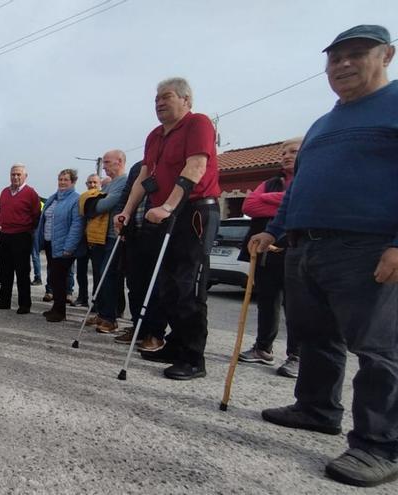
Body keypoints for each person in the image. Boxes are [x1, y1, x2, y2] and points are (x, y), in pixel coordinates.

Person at [249, 25, 398, 488]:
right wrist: (273, 230)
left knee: (378, 349)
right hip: (306, 245)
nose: (343, 65)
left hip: (368, 245)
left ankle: (379, 445)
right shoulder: (322, 123)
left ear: (387, 55)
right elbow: (300, 186)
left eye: (356, 54)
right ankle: (316, 408)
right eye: (335, 58)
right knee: (315, 335)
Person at [115, 77, 220, 380]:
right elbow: (144, 178)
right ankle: (175, 344)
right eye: (156, 98)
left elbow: (196, 167)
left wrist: (170, 206)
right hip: (163, 213)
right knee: (168, 285)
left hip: (194, 210)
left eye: (167, 97)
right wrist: (127, 210)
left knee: (188, 285)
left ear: (186, 100)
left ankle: (193, 357)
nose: (159, 103)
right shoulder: (154, 136)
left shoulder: (197, 123)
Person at [237, 137, 302, 377]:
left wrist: (271, 201)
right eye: (283, 152)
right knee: (267, 299)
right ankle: (263, 348)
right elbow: (249, 206)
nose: (286, 156)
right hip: (266, 249)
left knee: (295, 304)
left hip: (295, 248)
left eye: (293, 151)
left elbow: (300, 203)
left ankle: (297, 354)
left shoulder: (309, 179)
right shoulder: (270, 182)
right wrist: (284, 201)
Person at [114, 161, 168, 351]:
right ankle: (138, 327)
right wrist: (120, 215)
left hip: (156, 232)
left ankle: (155, 333)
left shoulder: (169, 164)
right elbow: (127, 194)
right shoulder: (139, 167)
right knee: (135, 285)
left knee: (156, 287)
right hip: (134, 232)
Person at [84, 150, 129, 335]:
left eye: (108, 162)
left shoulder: (123, 182)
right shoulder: (110, 184)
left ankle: (110, 318)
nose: (104, 166)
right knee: (101, 275)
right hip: (101, 237)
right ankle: (103, 313)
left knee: (108, 275)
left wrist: (93, 204)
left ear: (119, 162)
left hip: (114, 236)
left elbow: (103, 205)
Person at [0, 164, 40, 314]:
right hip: (5, 234)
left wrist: (29, 232)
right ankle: (4, 300)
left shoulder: (31, 193)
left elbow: (36, 215)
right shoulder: (4, 192)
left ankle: (24, 304)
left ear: (25, 176)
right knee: (5, 270)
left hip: (22, 235)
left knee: (22, 271)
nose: (15, 177)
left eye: (18, 174)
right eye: (13, 174)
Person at [36, 169, 83, 322]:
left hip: (64, 247)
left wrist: (69, 247)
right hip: (51, 244)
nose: (62, 182)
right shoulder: (52, 198)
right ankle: (55, 307)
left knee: (60, 278)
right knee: (54, 277)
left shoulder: (76, 199)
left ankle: (60, 312)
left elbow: (77, 225)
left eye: (66, 180)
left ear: (73, 182)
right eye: (60, 179)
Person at [74, 174, 101, 308]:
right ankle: (82, 297)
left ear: (99, 183)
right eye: (89, 183)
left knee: (97, 272)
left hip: (96, 239)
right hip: (83, 239)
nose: (92, 185)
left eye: (95, 182)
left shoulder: (103, 197)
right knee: (80, 271)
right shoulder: (82, 198)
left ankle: (96, 301)